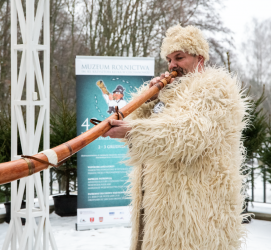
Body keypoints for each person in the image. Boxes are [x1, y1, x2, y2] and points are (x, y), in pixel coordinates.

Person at [103, 24, 248, 250]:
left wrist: (133, 132)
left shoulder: (215, 88)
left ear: (199, 58)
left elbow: (187, 133)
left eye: (179, 57)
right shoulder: (171, 92)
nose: (172, 65)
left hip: (196, 212)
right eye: (169, 59)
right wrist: (147, 99)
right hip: (162, 207)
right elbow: (145, 127)